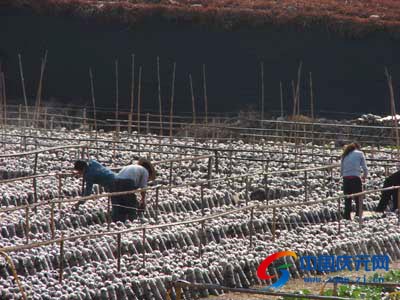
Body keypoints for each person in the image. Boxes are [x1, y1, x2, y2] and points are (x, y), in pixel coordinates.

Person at [340, 142, 368, 220]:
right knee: (358, 198)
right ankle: (358, 215)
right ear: (358, 147)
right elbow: (364, 167)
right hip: (355, 178)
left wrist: (342, 176)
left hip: (346, 179)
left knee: (347, 199)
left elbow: (341, 169)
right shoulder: (360, 153)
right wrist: (364, 176)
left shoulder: (345, 154)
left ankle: (347, 216)